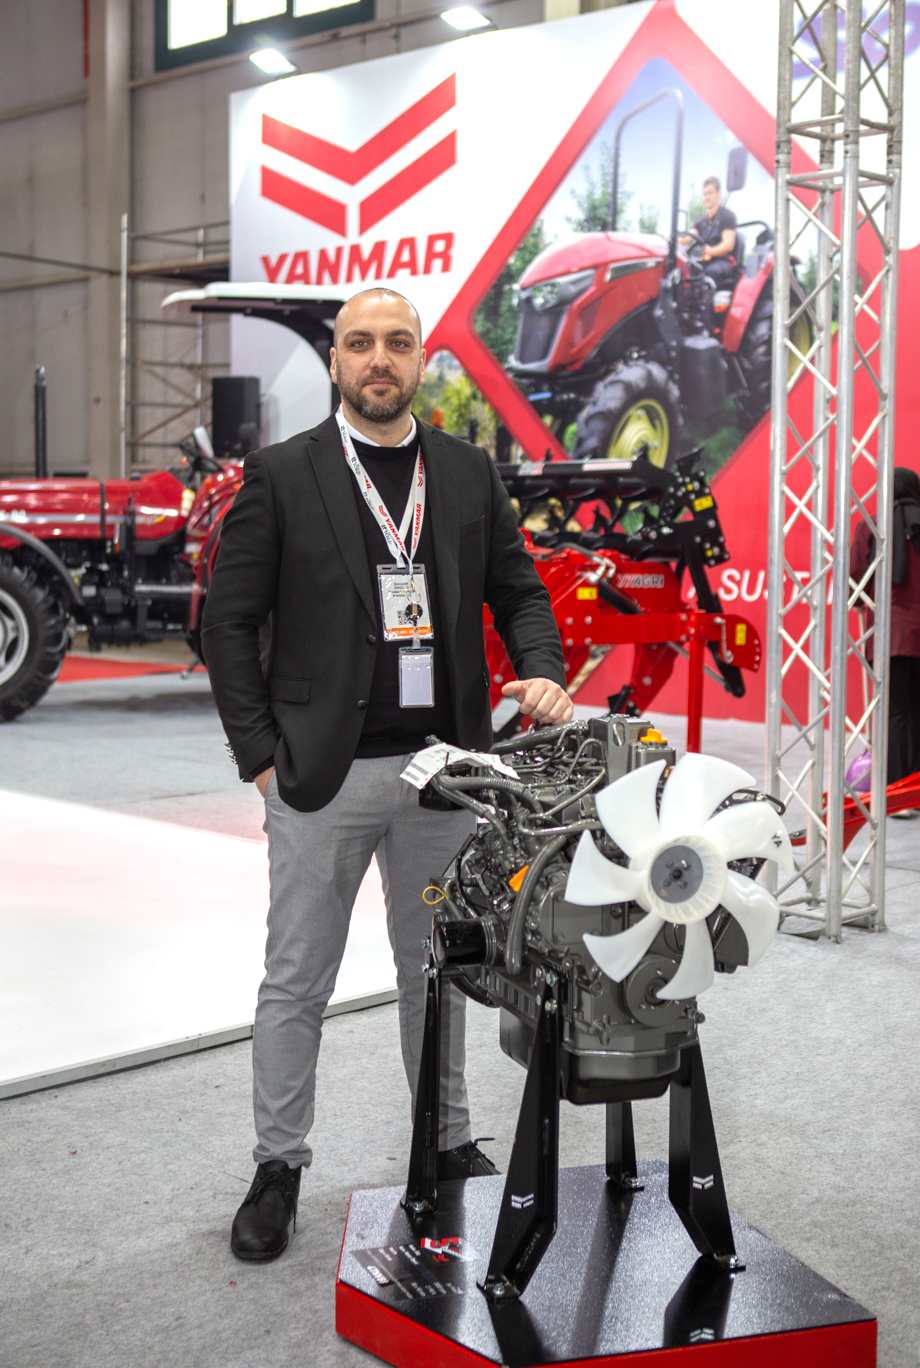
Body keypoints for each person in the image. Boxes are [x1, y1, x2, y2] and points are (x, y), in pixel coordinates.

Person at [201, 286, 573, 1262]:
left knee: (435, 970)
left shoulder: (465, 471)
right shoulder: (283, 474)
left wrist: (540, 666)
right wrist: (260, 756)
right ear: (335, 362)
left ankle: (445, 1142)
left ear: (419, 361)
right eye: (360, 343)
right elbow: (226, 625)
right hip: (320, 777)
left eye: (397, 343)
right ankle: (278, 1166)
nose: (379, 359)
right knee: (297, 980)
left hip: (442, 776)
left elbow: (518, 591)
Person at [850, 467, 920, 792]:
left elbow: (855, 578)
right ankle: (915, 791)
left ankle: (895, 792)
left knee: (894, 712)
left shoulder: (871, 525)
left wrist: (858, 602)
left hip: (890, 637)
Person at [680, 175, 738, 290]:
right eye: (705, 194)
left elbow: (728, 245)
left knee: (709, 273)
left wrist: (710, 251)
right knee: (684, 270)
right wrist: (670, 242)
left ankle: (706, 300)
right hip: (704, 261)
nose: (706, 197)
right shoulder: (701, 222)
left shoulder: (727, 216)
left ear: (718, 194)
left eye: (710, 193)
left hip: (722, 261)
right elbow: (686, 238)